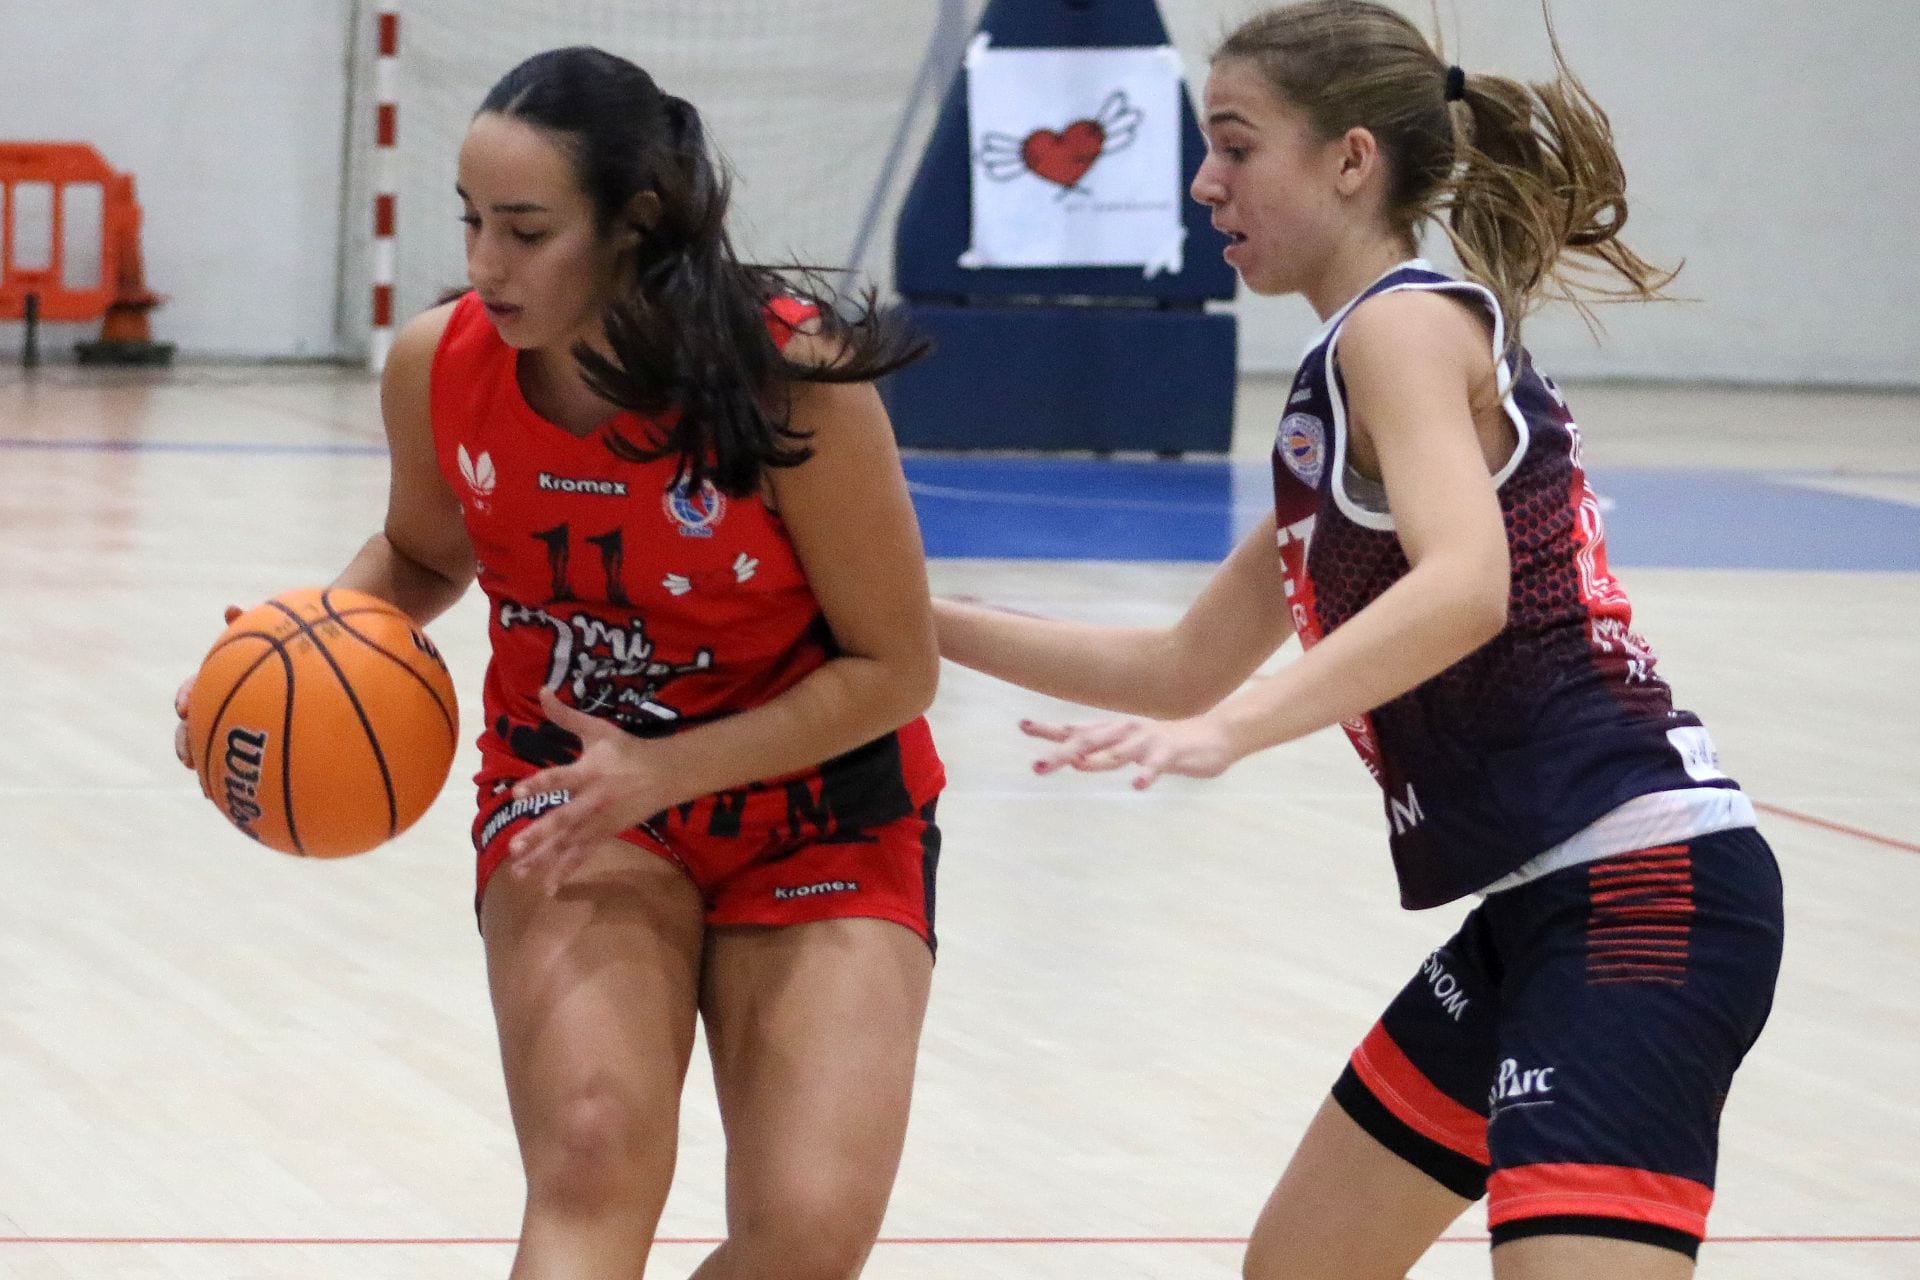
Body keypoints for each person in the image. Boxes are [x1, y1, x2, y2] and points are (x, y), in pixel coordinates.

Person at [932, 4, 1782, 1278]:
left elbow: (1464, 589)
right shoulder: (1338, 384)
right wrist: (901, 617)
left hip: (1643, 888)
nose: (1204, 180)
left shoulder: (1400, 325)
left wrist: (1231, 730)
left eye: (1235, 145)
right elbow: (1177, 666)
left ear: (1349, 160)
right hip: (1539, 903)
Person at [175, 46, 945, 1280]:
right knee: (592, 1152)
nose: (485, 265)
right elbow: (423, 554)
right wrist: (277, 651)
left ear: (633, 220)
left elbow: (895, 668)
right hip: (570, 795)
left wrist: (669, 767)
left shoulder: (787, 377)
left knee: (805, 1232)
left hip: (817, 806)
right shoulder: (442, 363)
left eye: (525, 230)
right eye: (473, 223)